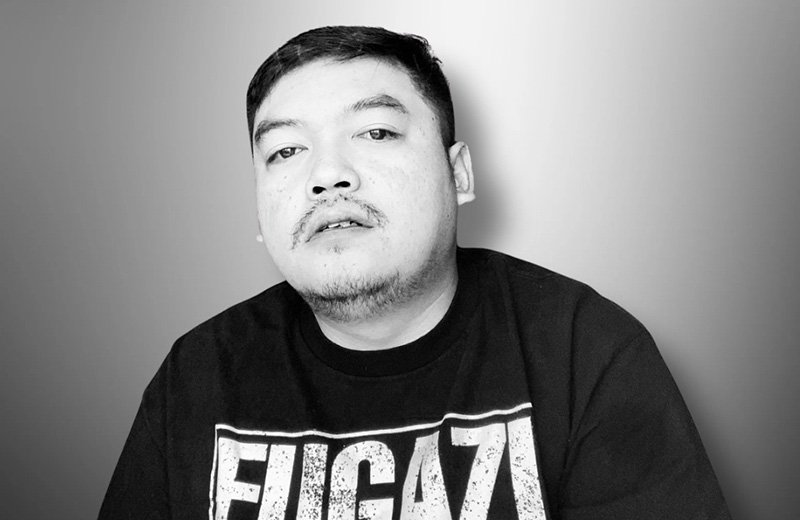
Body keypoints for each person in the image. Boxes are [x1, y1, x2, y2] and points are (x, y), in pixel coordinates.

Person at [99, 26, 731, 519]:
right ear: (260, 210)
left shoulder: (583, 350)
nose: (327, 175)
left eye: (375, 132)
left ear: (458, 175)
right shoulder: (197, 377)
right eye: (286, 150)